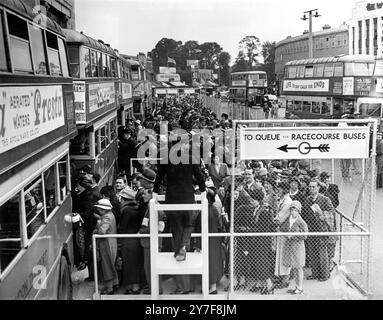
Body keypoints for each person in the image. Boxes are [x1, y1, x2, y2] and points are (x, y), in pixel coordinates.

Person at [302, 179, 336, 282]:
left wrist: (322, 213)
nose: (311, 189)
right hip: (311, 229)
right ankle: (315, 273)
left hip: (322, 229)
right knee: (312, 252)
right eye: (310, 187)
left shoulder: (325, 199)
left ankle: (324, 274)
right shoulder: (307, 200)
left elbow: (332, 212)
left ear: (318, 188)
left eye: (313, 187)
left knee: (322, 253)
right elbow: (305, 214)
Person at [248, 189, 275, 295]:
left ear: (258, 200)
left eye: (253, 199)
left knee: (262, 262)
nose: (251, 201)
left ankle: (269, 285)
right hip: (258, 239)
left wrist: (251, 230)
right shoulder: (258, 208)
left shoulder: (264, 210)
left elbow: (263, 227)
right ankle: (262, 284)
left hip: (262, 240)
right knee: (258, 262)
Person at [118, 187, 144, 294]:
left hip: (128, 241)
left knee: (129, 264)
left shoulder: (126, 211)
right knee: (136, 263)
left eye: (121, 198)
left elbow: (122, 227)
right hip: (136, 240)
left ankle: (134, 287)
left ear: (125, 199)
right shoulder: (137, 208)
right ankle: (135, 286)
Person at [281, 201, 308, 295]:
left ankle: (300, 287)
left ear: (299, 211)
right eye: (292, 209)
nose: (293, 212)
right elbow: (282, 228)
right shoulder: (288, 219)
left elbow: (305, 235)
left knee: (299, 267)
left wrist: (293, 236)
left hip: (298, 247)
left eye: (295, 210)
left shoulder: (301, 222)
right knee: (293, 267)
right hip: (289, 246)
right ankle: (296, 286)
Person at [93, 199, 119, 295]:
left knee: (107, 266)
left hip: (106, 244)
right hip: (111, 242)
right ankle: (115, 284)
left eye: (99, 209)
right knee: (111, 264)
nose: (98, 210)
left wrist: (97, 228)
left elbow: (102, 231)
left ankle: (109, 288)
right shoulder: (110, 215)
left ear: (104, 209)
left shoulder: (106, 217)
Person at [273, 181, 292, 288]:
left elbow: (279, 219)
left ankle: (285, 280)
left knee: (284, 256)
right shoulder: (282, 200)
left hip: (285, 232)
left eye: (279, 189)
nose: (277, 191)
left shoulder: (287, 202)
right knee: (280, 255)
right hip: (281, 231)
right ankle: (281, 278)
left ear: (284, 190)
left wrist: (272, 219)